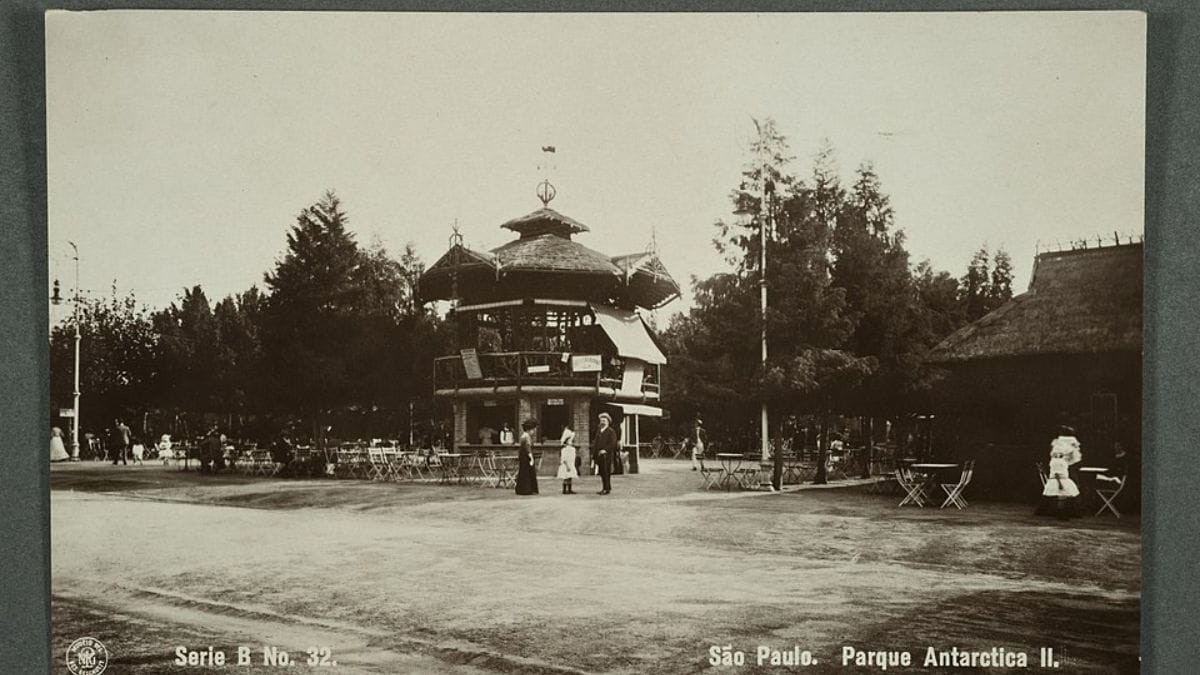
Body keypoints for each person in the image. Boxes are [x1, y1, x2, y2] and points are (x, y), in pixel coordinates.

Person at [1040, 448, 1080, 519]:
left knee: (1068, 496)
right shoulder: (1056, 462)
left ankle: (1067, 512)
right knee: (1062, 497)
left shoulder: (1063, 461)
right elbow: (1056, 473)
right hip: (1058, 480)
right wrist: (1060, 484)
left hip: (1064, 479)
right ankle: (1061, 514)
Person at [592, 412, 619, 495]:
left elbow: (613, 443)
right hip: (599, 455)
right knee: (602, 472)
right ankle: (605, 487)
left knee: (606, 472)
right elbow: (596, 443)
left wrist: (605, 450)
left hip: (606, 455)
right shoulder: (599, 431)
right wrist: (594, 454)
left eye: (604, 420)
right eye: (601, 420)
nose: (602, 422)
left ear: (608, 421)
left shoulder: (611, 431)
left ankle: (606, 489)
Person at [515, 419, 540, 496]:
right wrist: (531, 457)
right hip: (526, 456)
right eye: (533, 429)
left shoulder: (523, 436)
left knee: (524, 471)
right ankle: (527, 489)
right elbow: (528, 447)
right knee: (527, 472)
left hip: (523, 456)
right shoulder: (526, 436)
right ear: (530, 429)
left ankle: (523, 489)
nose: (534, 431)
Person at [557, 424, 579, 494]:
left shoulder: (572, 449)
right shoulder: (565, 449)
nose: (571, 442)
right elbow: (564, 459)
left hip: (571, 464)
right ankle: (564, 490)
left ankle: (569, 489)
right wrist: (567, 466)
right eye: (570, 440)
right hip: (566, 465)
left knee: (570, 477)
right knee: (565, 477)